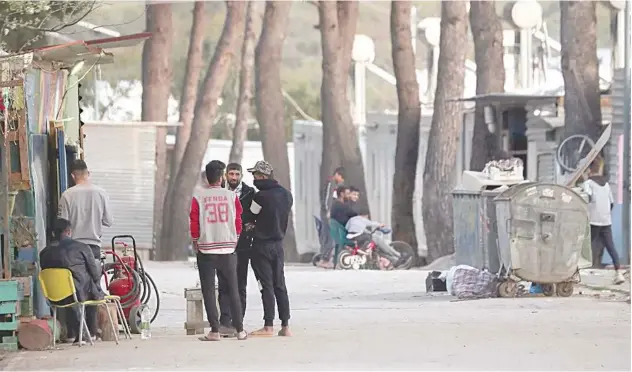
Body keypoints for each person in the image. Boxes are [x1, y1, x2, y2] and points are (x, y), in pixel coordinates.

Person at [190, 160, 248, 341]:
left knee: (208, 290)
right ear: (222, 177)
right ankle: (240, 330)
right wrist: (234, 239)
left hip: (206, 249)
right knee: (233, 289)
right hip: (228, 249)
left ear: (207, 177)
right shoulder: (232, 197)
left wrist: (196, 242)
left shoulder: (199, 197)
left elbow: (194, 223)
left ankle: (215, 330)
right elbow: (238, 222)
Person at [246, 160, 293, 337]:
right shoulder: (287, 195)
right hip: (279, 246)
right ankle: (286, 326)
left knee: (266, 285)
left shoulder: (260, 197)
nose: (254, 179)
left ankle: (268, 326)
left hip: (261, 246)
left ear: (263, 176)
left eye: (256, 175)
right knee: (280, 284)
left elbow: (251, 216)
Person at [40, 218, 104, 345]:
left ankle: (72, 333)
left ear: (53, 234)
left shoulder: (44, 253)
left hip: (54, 297)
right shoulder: (82, 247)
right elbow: (95, 274)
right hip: (79, 294)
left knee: (70, 291)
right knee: (92, 288)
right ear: (69, 232)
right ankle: (90, 332)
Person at [217, 163, 257, 335]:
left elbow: (255, 215)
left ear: (241, 175)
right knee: (223, 283)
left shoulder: (249, 193)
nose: (234, 177)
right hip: (222, 244)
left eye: (236, 174)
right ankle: (224, 321)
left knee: (240, 283)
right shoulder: (218, 192)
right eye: (231, 174)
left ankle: (237, 320)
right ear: (225, 175)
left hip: (242, 244)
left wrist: (250, 226)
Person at [58, 159, 113, 260]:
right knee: (94, 274)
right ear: (88, 173)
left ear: (72, 176)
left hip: (73, 247)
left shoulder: (67, 195)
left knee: (76, 275)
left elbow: (62, 224)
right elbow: (108, 221)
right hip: (94, 247)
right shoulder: (102, 193)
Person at [582, 160, 625, 285]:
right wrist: (605, 215)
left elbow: (587, 197)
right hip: (606, 221)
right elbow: (611, 202)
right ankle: (619, 273)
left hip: (593, 220)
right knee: (610, 246)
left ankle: (575, 270)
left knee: (585, 246)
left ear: (589, 170)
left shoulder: (588, 183)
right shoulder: (606, 185)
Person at [345, 209, 411, 267]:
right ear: (365, 216)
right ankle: (398, 255)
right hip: (360, 239)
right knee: (379, 242)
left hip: (353, 239)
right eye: (367, 217)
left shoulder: (352, 220)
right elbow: (371, 223)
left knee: (377, 249)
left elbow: (351, 229)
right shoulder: (362, 219)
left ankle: (395, 261)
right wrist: (381, 225)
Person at [318, 186, 357, 269]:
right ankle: (326, 260)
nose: (349, 195)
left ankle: (329, 260)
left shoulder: (339, 204)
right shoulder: (340, 205)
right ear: (342, 194)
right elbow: (352, 214)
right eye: (347, 194)